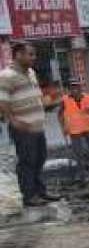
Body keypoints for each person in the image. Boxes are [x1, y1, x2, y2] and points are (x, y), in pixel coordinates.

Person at [0, 42, 56, 207]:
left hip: (37, 126)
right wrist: (14, 120)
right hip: (23, 127)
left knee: (39, 158)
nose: (34, 58)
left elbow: (34, 96)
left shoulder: (31, 72)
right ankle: (29, 196)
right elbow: (2, 101)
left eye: (34, 54)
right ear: (18, 55)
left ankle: (40, 192)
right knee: (27, 161)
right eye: (30, 54)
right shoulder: (6, 76)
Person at [58, 80, 89, 180]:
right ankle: (82, 175)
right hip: (74, 130)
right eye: (72, 88)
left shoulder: (87, 97)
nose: (74, 90)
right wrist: (63, 127)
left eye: (76, 87)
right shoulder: (65, 100)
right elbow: (60, 114)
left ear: (80, 88)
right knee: (78, 153)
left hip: (88, 127)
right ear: (69, 89)